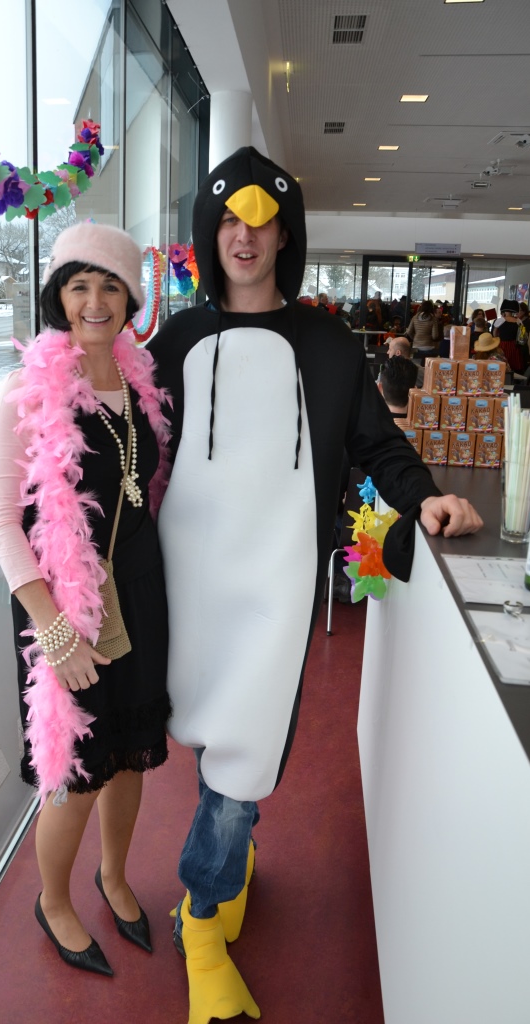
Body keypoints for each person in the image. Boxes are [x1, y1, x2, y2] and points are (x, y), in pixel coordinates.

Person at [148, 146, 482, 1023]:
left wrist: (424, 494)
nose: (244, 236)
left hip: (277, 579)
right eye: (228, 219)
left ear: (284, 235)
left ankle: (200, 919)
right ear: (208, 232)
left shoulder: (327, 342)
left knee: (246, 748)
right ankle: (229, 855)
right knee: (205, 734)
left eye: (260, 222)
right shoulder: (174, 340)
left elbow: (375, 441)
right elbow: (127, 440)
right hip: (187, 581)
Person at [0, 223, 172, 977]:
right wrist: (53, 628)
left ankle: (114, 876)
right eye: (78, 285)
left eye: (110, 286)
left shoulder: (138, 379)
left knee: (128, 755)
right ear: (57, 297)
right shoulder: (26, 391)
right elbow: (2, 523)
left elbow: (147, 491)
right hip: (61, 602)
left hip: (138, 592)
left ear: (131, 298)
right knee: (76, 769)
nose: (94, 302)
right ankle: (54, 900)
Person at [493, 303, 524, 372]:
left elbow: (494, 333)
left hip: (502, 344)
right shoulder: (518, 321)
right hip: (514, 345)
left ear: (504, 311)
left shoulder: (500, 320)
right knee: (514, 363)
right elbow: (521, 333)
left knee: (502, 363)